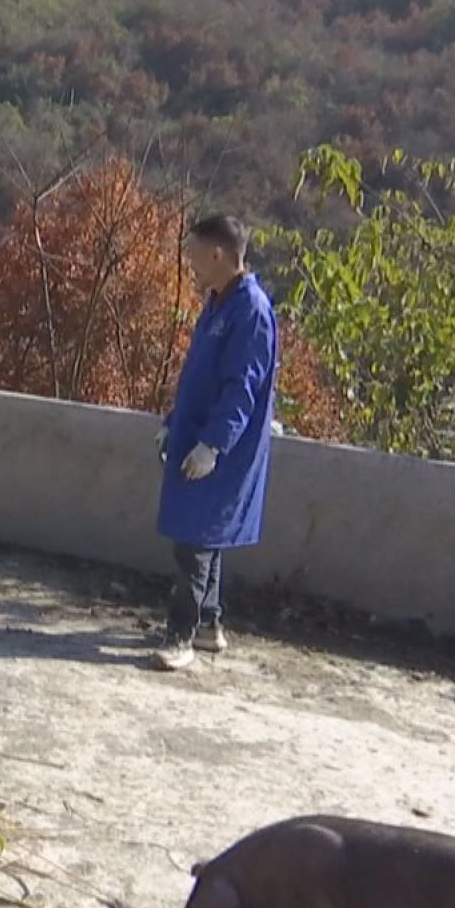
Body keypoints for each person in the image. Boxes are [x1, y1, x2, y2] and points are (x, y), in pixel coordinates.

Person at [151, 215, 278, 671]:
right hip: (193, 433)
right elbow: (197, 375)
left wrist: (214, 445)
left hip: (219, 447)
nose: (190, 264)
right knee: (207, 534)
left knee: (194, 541)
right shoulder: (217, 304)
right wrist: (173, 420)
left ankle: (180, 636)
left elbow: (241, 387)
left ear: (218, 254)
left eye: (194, 254)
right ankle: (209, 625)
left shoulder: (252, 311)